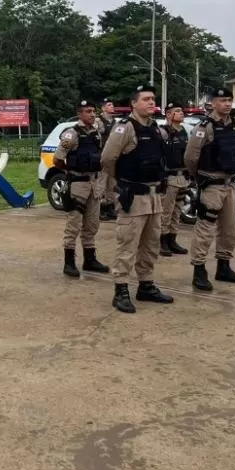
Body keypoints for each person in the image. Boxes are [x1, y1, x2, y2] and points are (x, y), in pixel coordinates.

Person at [100, 84, 174, 313]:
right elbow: (107, 160)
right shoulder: (125, 129)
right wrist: (121, 184)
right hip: (133, 197)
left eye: (153, 99)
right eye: (146, 99)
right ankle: (121, 290)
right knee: (127, 245)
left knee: (151, 245)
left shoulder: (156, 130)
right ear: (134, 103)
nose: (151, 102)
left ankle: (146, 285)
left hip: (154, 197)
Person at [184, 87, 235, 291]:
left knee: (229, 229)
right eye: (223, 100)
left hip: (230, 184)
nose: (228, 104)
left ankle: (224, 267)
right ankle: (199, 270)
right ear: (213, 103)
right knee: (205, 229)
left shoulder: (233, 125)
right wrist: (200, 178)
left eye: (230, 100)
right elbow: (190, 158)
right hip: (211, 185)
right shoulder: (205, 127)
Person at [53, 100, 110, 277]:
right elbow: (57, 159)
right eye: (88, 111)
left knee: (92, 224)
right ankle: (69, 262)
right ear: (80, 114)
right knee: (74, 224)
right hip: (78, 185)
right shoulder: (72, 134)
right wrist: (72, 171)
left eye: (93, 111)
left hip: (94, 184)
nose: (92, 114)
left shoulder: (96, 133)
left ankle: (90, 259)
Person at [159, 102, 191, 257]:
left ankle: (172, 239)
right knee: (166, 211)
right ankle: (162, 241)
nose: (181, 113)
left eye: (181, 111)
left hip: (182, 176)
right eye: (177, 111)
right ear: (168, 114)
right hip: (169, 177)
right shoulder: (164, 132)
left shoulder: (183, 131)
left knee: (177, 210)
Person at [96, 98, 118, 221]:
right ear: (104, 108)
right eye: (109, 105)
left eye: (112, 104)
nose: (112, 106)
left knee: (112, 185)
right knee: (101, 185)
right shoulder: (99, 121)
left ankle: (110, 207)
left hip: (112, 159)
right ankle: (99, 209)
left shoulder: (115, 122)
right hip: (102, 158)